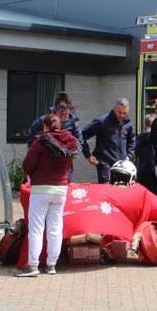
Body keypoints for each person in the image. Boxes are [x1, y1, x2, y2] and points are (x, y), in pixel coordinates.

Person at [16, 113, 78, 277]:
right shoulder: (69, 142)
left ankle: (33, 265)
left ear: (45, 126)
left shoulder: (40, 142)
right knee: (55, 228)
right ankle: (51, 265)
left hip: (41, 189)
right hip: (60, 189)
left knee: (36, 228)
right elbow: (69, 165)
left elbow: (28, 165)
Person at [28, 93, 84, 181]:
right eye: (61, 114)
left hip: (64, 167)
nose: (63, 117)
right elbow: (31, 144)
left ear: (69, 111)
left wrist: (69, 153)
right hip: (44, 164)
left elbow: (79, 143)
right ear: (55, 110)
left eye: (66, 114)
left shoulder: (73, 124)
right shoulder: (43, 121)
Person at [82, 98, 136, 184]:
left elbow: (132, 140)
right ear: (114, 109)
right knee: (107, 190)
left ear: (128, 110)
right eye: (119, 112)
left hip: (122, 166)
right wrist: (88, 155)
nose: (122, 115)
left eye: (124, 113)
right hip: (105, 165)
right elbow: (82, 135)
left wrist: (129, 156)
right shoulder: (102, 121)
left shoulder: (128, 124)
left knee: (121, 190)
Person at [135, 114, 157, 195]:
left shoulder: (139, 137)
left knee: (141, 193)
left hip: (141, 169)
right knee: (154, 194)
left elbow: (136, 152)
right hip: (153, 169)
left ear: (145, 124)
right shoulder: (156, 138)